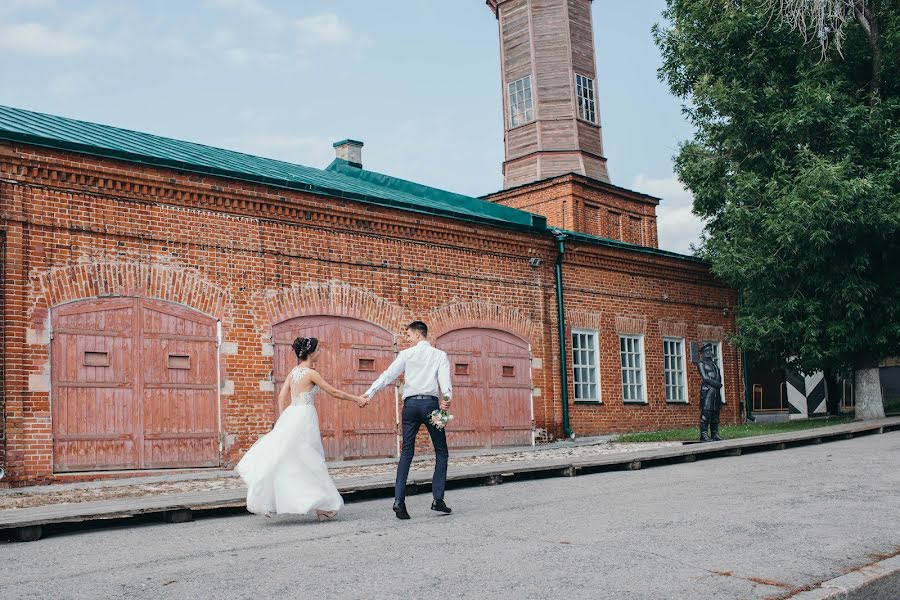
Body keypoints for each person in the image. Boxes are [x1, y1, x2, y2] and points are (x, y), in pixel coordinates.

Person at [235, 336, 368, 520]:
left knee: (287, 458)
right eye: (318, 350)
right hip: (305, 417)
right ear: (311, 353)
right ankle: (322, 505)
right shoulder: (311, 373)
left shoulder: (293, 372)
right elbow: (334, 392)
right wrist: (357, 399)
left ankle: (267, 501)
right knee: (311, 459)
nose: (320, 353)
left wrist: (283, 420)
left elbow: (282, 396)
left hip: (292, 414)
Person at [363, 321, 452, 520]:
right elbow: (445, 385)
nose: (408, 339)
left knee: (406, 452)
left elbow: (388, 376)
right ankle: (438, 500)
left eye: (410, 335)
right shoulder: (440, 355)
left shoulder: (406, 354)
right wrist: (446, 401)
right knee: (441, 451)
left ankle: (399, 501)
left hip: (410, 407)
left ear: (419, 334)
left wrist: (370, 393)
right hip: (431, 406)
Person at [697, 342, 724, 442]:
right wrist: (716, 384)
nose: (709, 353)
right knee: (706, 414)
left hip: (716, 392)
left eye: (710, 351)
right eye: (707, 351)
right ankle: (703, 435)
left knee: (715, 414)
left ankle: (714, 433)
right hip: (708, 391)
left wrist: (718, 385)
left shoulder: (713, 363)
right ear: (703, 352)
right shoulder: (701, 363)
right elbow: (705, 377)